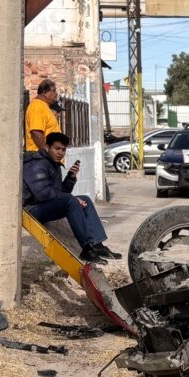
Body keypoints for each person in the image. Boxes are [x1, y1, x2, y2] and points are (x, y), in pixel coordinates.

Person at [23, 132, 120, 264]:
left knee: (85, 199)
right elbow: (43, 193)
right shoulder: (36, 164)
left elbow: (59, 193)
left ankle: (97, 245)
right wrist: (71, 198)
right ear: (47, 147)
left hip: (43, 205)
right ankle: (87, 249)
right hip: (30, 209)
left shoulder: (53, 163)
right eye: (57, 148)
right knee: (72, 200)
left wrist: (70, 177)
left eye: (63, 149)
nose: (60, 153)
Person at [25, 79, 61, 153]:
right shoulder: (37, 107)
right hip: (40, 159)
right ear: (44, 92)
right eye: (53, 91)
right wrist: (47, 153)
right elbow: (36, 132)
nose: (56, 94)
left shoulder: (44, 106)